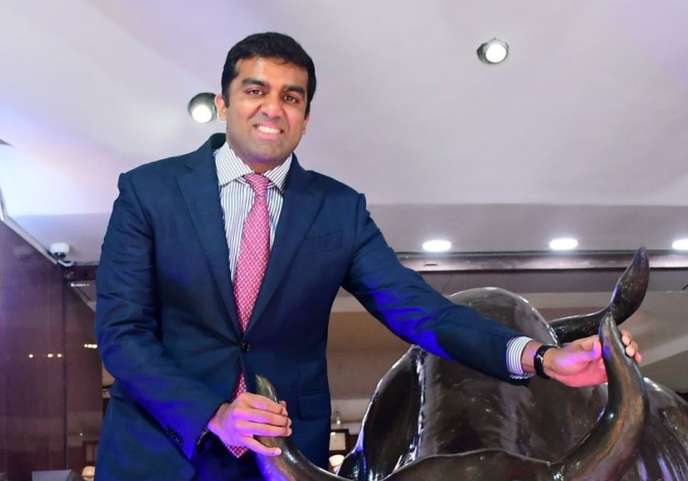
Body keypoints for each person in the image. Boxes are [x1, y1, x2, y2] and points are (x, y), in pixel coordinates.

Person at [94, 32, 640, 481]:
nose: (272, 108)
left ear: (305, 116)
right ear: (223, 103)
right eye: (255, 90)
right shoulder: (149, 192)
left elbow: (423, 312)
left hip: (284, 462)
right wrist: (212, 414)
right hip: (157, 453)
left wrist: (543, 358)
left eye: (291, 97)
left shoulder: (338, 210)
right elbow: (122, 333)